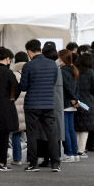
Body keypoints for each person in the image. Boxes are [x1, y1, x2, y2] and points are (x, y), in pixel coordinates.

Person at [19, 39, 60, 172]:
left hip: (32, 104)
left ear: (29, 52)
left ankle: (33, 163)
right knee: (51, 134)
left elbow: (24, 87)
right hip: (49, 103)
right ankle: (55, 163)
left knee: (32, 134)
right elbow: (53, 82)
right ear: (40, 50)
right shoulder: (53, 65)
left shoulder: (28, 66)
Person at [41, 43, 64, 169]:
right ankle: (55, 158)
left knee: (46, 133)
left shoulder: (46, 66)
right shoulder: (58, 66)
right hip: (57, 102)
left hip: (46, 101)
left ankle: (47, 159)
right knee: (56, 132)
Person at [74, 53, 94, 158]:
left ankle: (74, 149)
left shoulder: (74, 71)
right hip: (87, 102)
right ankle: (81, 150)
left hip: (75, 101)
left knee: (75, 127)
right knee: (85, 128)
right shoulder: (90, 72)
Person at [58, 49, 80, 163]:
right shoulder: (74, 70)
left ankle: (69, 153)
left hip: (65, 102)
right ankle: (75, 153)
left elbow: (66, 87)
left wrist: (72, 98)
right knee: (71, 129)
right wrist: (76, 99)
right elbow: (76, 87)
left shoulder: (62, 71)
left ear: (62, 58)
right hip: (72, 104)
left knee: (65, 129)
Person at [10, 52, 29, 166]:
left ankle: (17, 159)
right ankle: (31, 158)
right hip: (29, 105)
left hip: (16, 107)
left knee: (16, 133)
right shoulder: (30, 71)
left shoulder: (13, 74)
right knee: (31, 133)